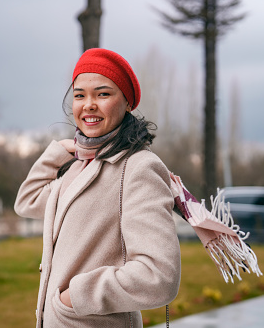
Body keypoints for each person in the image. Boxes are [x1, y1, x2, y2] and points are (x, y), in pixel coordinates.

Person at [14, 48, 181, 328]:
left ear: (127, 102)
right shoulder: (79, 166)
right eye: (80, 95)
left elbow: (159, 276)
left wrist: (73, 298)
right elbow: (27, 201)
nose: (88, 104)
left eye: (102, 94)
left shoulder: (138, 168)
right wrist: (59, 151)